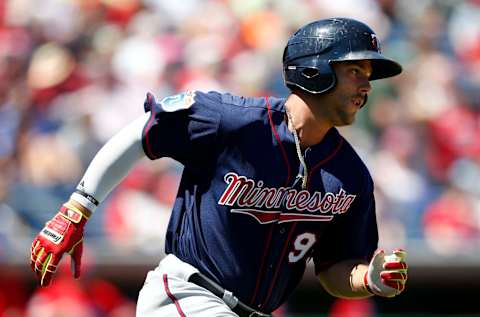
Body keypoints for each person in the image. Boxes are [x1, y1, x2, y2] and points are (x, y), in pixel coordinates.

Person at [30, 17, 408, 317]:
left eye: (368, 75)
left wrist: (367, 278)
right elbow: (142, 135)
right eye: (355, 70)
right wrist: (77, 208)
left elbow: (334, 270)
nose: (367, 86)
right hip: (188, 295)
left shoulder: (350, 173)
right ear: (314, 70)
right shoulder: (233, 121)